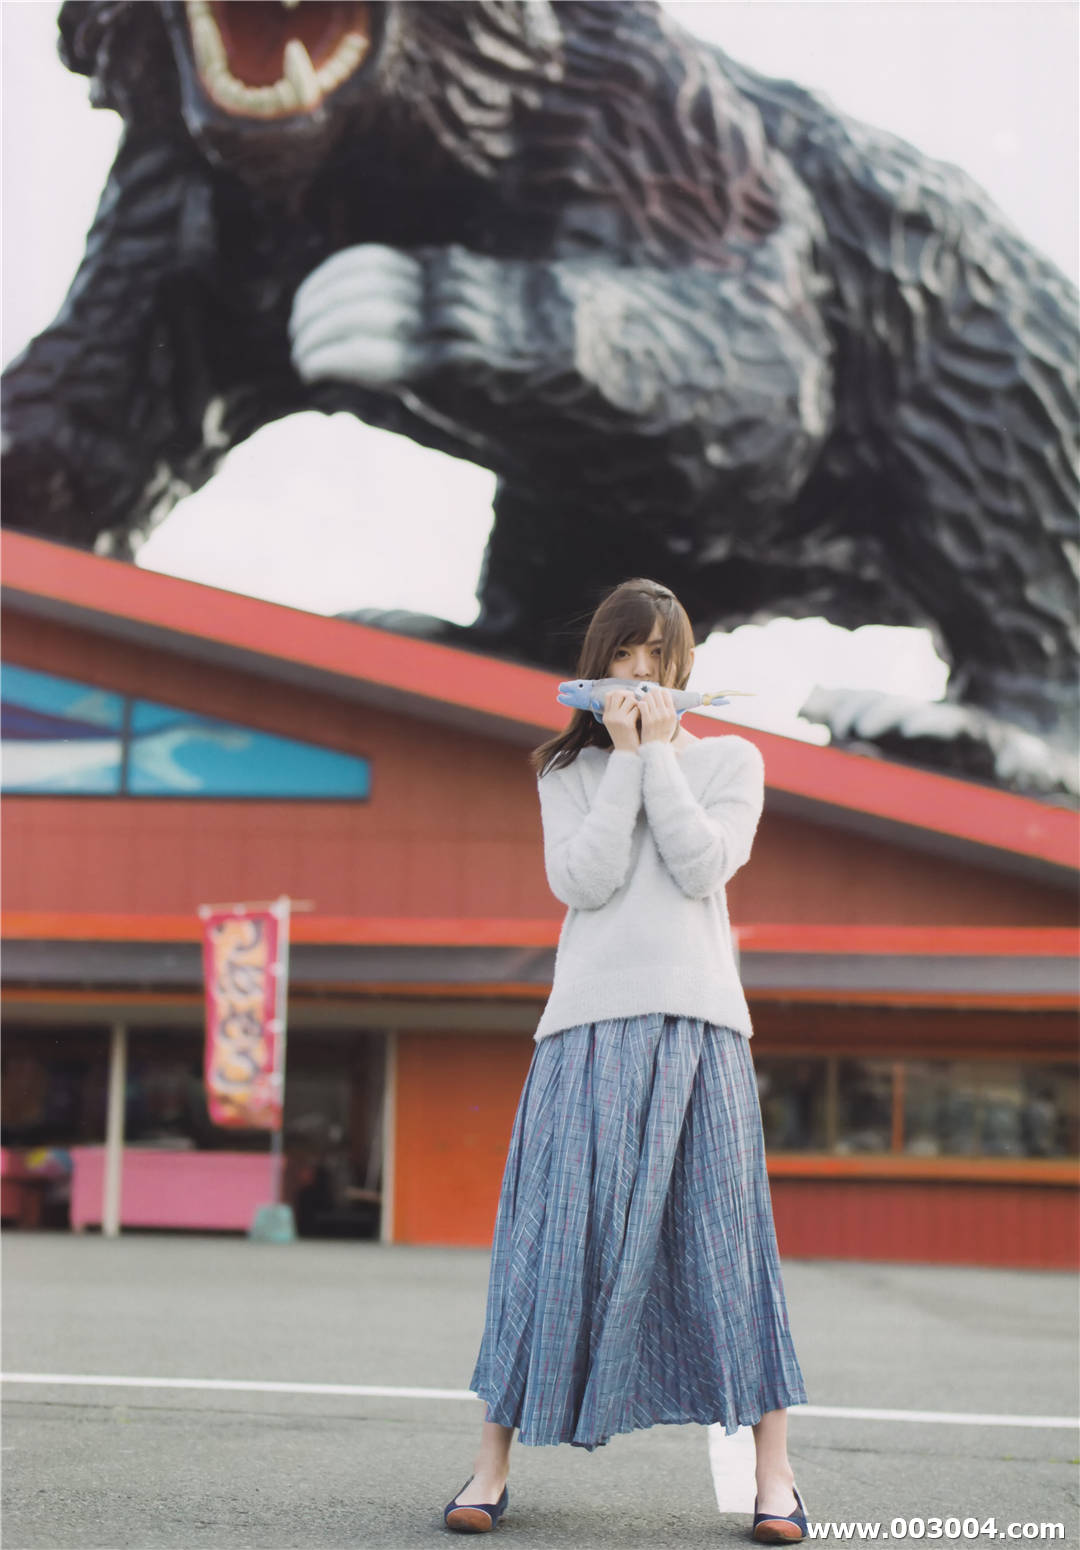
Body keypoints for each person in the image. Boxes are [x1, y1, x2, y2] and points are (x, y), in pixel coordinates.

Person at [443, 578, 809, 1542]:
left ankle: (776, 1476)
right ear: (595, 664)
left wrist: (659, 759)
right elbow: (585, 880)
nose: (639, 672)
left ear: (683, 664)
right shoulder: (565, 772)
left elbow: (702, 865)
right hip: (586, 1025)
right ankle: (488, 1467)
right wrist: (622, 763)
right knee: (549, 1239)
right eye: (621, 654)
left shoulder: (731, 759)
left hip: (699, 1024)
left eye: (655, 655)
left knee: (729, 1244)